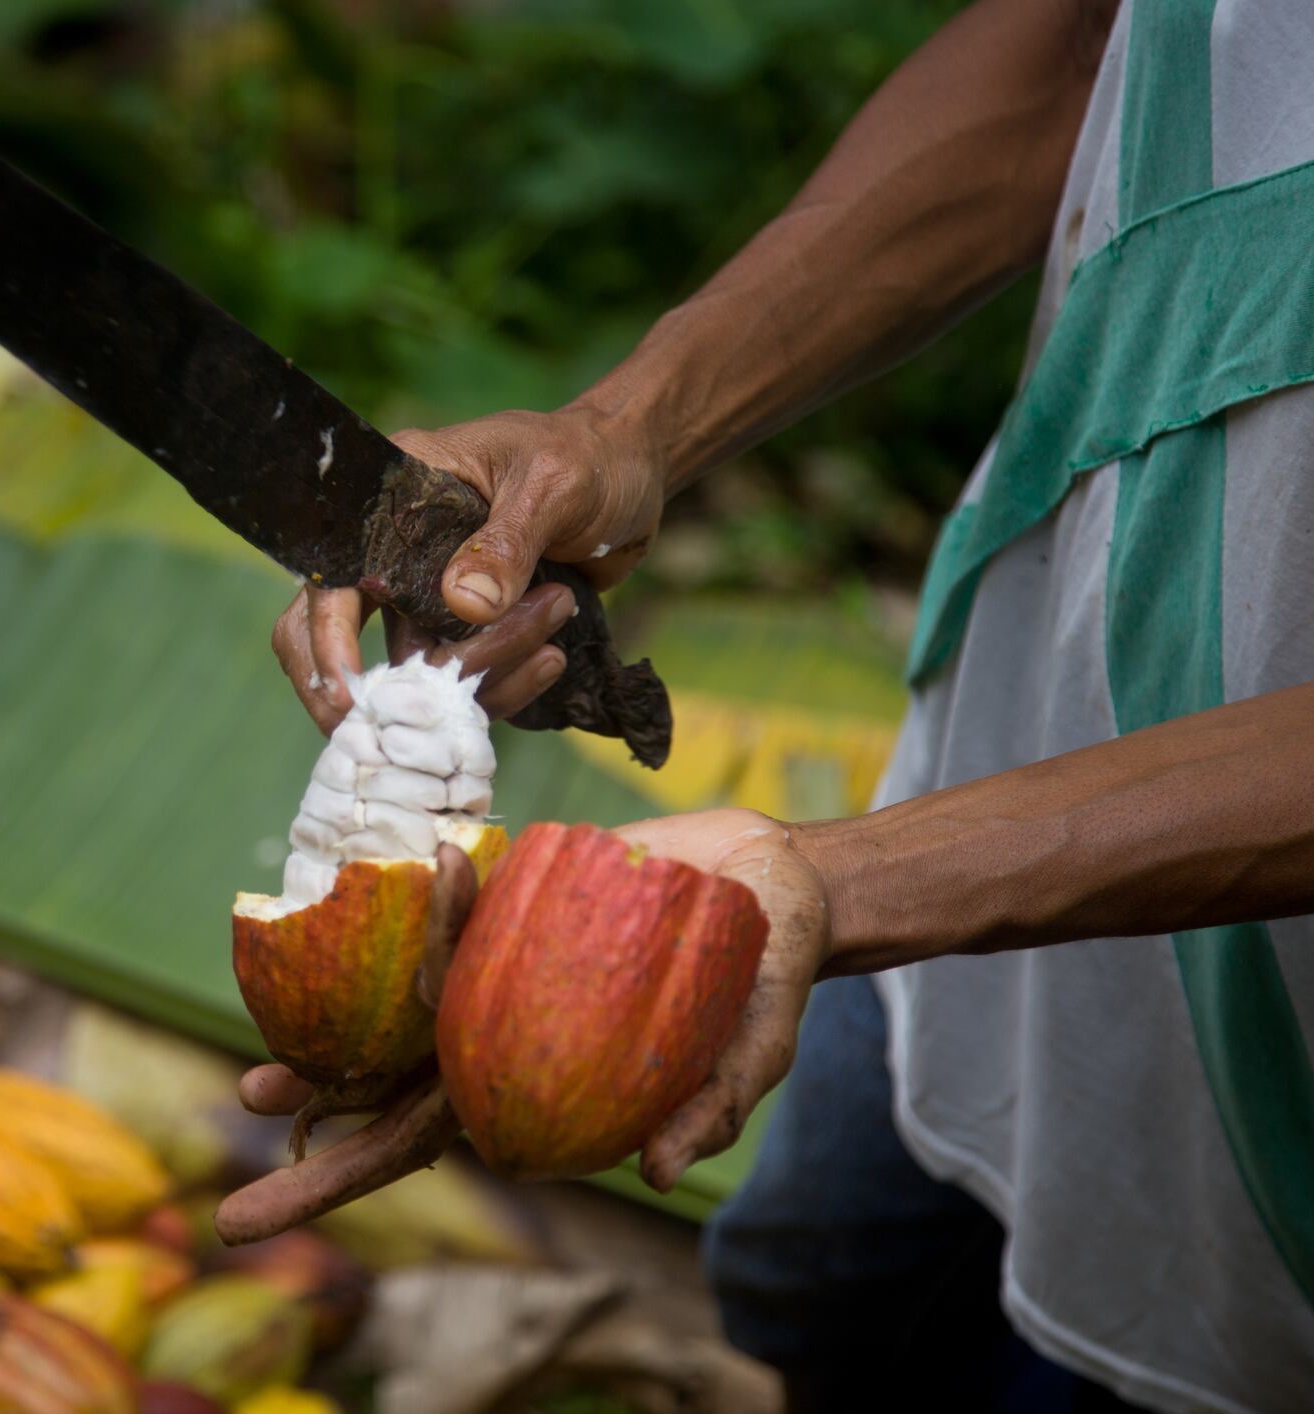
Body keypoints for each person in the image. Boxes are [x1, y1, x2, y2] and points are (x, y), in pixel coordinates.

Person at [219, 0, 1314, 1409]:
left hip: (1263, 1089)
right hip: (999, 742)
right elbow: (1077, 50)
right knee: (809, 1276)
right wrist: (628, 426)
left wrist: (831, 882)